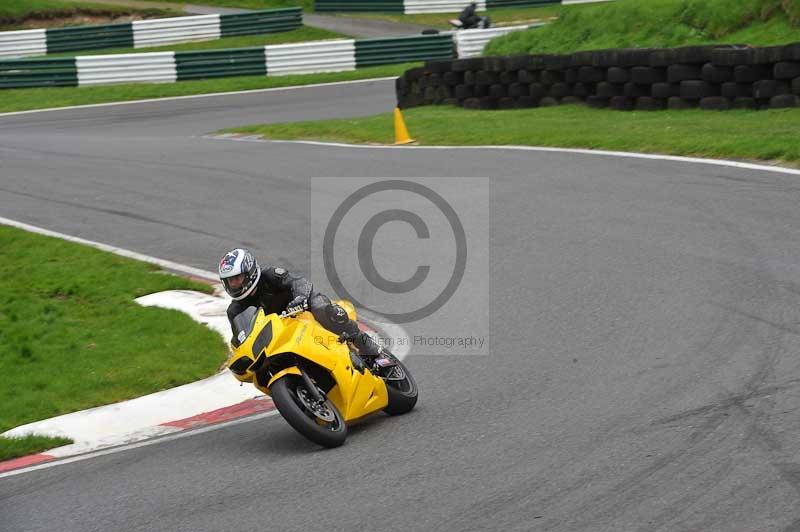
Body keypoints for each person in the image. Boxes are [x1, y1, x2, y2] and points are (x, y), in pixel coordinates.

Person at [218, 248, 387, 360]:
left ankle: (366, 345)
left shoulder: (269, 275)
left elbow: (299, 282)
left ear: (250, 272)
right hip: (279, 333)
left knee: (322, 308)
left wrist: (300, 298)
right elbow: (240, 338)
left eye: (237, 278)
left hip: (302, 309)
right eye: (230, 281)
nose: (234, 284)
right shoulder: (234, 311)